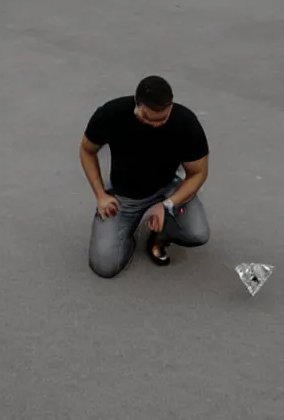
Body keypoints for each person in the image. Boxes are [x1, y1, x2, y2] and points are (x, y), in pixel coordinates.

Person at [79, 75, 210, 278]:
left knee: (198, 234)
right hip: (124, 196)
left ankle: (160, 232)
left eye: (163, 119)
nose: (156, 125)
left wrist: (168, 205)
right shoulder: (112, 114)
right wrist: (100, 195)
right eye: (149, 118)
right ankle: (129, 234)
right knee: (104, 265)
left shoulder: (186, 123)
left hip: (168, 189)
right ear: (136, 104)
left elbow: (198, 173)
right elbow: (87, 151)